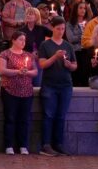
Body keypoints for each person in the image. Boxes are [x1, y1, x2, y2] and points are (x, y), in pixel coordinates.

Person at [38, 16, 77, 156]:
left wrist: (69, 65)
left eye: (63, 29)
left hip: (65, 84)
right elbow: (42, 64)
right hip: (50, 84)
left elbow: (74, 66)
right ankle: (46, 144)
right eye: (58, 28)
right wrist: (55, 57)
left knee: (61, 115)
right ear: (52, 28)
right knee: (49, 115)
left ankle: (58, 143)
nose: (61, 31)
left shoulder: (68, 45)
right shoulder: (45, 45)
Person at [0, 31, 37, 155]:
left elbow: (35, 71)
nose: (23, 42)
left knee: (24, 119)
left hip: (26, 91)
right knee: (10, 118)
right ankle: (8, 145)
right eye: (20, 39)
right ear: (13, 40)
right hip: (9, 90)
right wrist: (17, 72)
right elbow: (2, 70)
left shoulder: (29, 55)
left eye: (24, 40)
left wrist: (27, 73)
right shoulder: (5, 54)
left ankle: (23, 145)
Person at [19, 7, 52, 86]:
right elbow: (18, 46)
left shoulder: (42, 29)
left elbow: (55, 35)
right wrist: (30, 55)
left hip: (39, 59)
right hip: (24, 60)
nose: (28, 15)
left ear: (36, 16)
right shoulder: (21, 30)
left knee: (37, 83)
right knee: (25, 83)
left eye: (31, 14)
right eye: (27, 14)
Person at [66, 2, 88, 86]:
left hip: (86, 51)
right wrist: (82, 36)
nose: (83, 10)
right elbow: (71, 39)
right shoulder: (70, 24)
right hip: (75, 52)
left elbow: (91, 37)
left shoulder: (88, 23)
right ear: (76, 9)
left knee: (84, 76)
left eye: (84, 8)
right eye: (81, 8)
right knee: (75, 76)